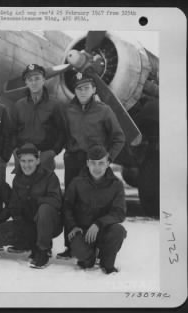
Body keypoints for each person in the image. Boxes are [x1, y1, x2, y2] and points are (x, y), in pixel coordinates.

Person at [57, 71, 126, 259]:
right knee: (71, 201)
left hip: (96, 163)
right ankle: (71, 246)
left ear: (94, 89)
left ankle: (98, 240)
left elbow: (119, 137)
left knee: (96, 202)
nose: (82, 91)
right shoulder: (68, 110)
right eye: (79, 88)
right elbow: (62, 135)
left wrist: (108, 159)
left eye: (86, 88)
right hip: (74, 161)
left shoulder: (104, 110)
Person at [0, 143, 63, 269]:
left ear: (38, 160)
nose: (26, 165)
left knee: (44, 209)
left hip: (49, 223)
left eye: (30, 161)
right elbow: (12, 206)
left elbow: (56, 200)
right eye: (23, 161)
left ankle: (43, 251)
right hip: (29, 224)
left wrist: (35, 200)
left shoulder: (50, 176)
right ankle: (31, 244)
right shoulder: (18, 179)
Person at [63, 145, 127, 274]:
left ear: (108, 163)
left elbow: (119, 213)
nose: (97, 168)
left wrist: (99, 223)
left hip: (104, 230)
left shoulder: (116, 184)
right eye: (93, 163)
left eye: (101, 163)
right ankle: (90, 256)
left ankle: (105, 260)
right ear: (87, 163)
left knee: (118, 230)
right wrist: (73, 226)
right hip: (83, 231)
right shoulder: (77, 183)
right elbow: (67, 207)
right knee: (85, 261)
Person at [10, 64, 66, 172]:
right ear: (26, 82)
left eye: (37, 78)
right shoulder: (18, 106)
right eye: (30, 79)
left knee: (47, 187)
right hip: (23, 160)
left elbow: (62, 132)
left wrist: (53, 152)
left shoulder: (55, 105)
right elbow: (11, 132)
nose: (34, 82)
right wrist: (16, 151)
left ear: (43, 80)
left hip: (45, 158)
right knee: (21, 187)